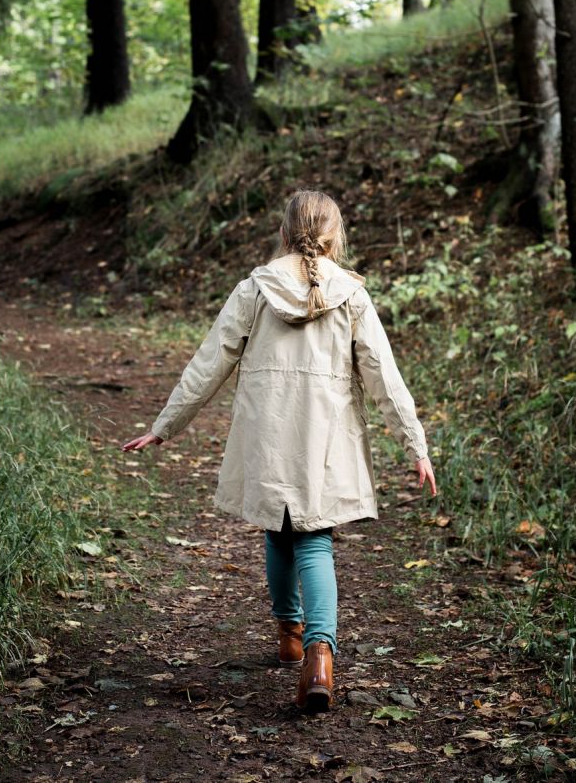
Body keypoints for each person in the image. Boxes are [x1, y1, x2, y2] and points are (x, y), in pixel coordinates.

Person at [122, 189, 436, 713]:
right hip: (326, 442)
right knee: (315, 542)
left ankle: (290, 635)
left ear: (285, 233)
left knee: (278, 528)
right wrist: (415, 444)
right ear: (334, 237)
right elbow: (386, 378)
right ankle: (319, 656)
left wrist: (165, 425)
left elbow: (209, 363)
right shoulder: (352, 296)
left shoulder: (255, 289)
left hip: (268, 435)